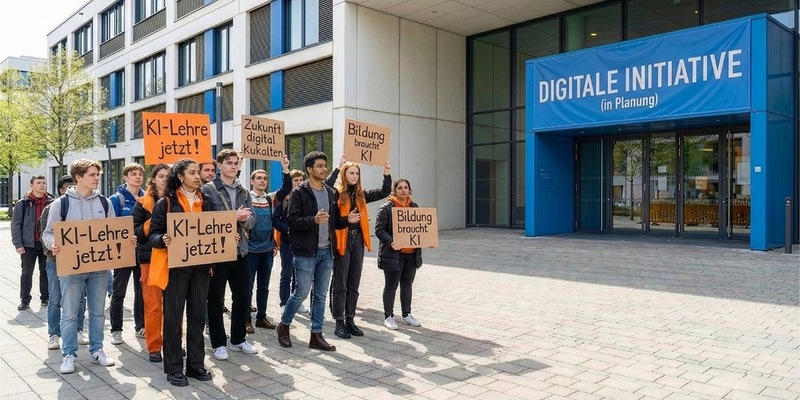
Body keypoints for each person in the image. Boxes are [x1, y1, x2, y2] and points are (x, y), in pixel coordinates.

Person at [42, 159, 121, 374]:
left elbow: (113, 231)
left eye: (98, 174)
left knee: (97, 312)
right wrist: (52, 244)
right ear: (79, 177)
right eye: (93, 174)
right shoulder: (61, 204)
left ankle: (97, 350)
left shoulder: (105, 203)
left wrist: (125, 241)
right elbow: (47, 232)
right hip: (71, 267)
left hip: (99, 268)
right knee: (69, 313)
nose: (97, 178)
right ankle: (69, 354)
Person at [276, 151, 357, 351]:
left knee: (320, 295)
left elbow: (334, 221)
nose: (324, 169)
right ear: (309, 169)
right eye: (319, 166)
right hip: (305, 252)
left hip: (325, 251)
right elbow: (292, 222)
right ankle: (284, 325)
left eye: (325, 165)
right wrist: (312, 219)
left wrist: (348, 220)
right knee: (301, 292)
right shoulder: (299, 193)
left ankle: (316, 335)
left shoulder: (330, 192)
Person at [149, 159, 216, 386]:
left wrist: (226, 239)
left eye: (198, 173)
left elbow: (215, 229)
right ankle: (174, 368)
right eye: (192, 172)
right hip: (175, 268)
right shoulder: (165, 203)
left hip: (200, 268)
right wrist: (162, 240)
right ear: (180, 177)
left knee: (197, 316)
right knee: (174, 318)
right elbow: (153, 235)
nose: (197, 176)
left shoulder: (207, 201)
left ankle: (196, 364)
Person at [325, 155, 391, 339]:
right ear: (344, 175)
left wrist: (386, 173)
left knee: (354, 282)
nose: (354, 176)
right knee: (341, 282)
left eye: (357, 173)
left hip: (358, 241)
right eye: (351, 173)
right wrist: (337, 167)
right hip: (343, 241)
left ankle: (350, 319)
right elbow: (327, 187)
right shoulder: (336, 193)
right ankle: (338, 321)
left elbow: (384, 191)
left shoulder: (362, 194)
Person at [201, 149, 258, 360]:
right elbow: (204, 221)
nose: (233, 166)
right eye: (229, 163)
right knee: (215, 300)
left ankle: (238, 339)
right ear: (219, 165)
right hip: (217, 253)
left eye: (236, 163)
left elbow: (252, 220)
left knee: (242, 298)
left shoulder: (243, 191)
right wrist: (231, 217)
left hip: (241, 251)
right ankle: (218, 343)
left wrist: (243, 220)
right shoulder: (208, 190)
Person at [40, 175, 89, 351]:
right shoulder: (51, 208)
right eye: (69, 187)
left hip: (80, 261)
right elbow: (45, 235)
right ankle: (54, 334)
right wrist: (53, 248)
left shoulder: (86, 207)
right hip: (56, 261)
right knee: (55, 298)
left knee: (80, 299)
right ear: (61, 190)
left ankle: (77, 330)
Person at [245, 156, 292, 333]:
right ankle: (246, 320)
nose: (262, 181)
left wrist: (285, 169)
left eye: (265, 178)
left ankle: (261, 317)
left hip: (267, 250)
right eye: (258, 178)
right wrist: (240, 164)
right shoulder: (245, 198)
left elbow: (286, 188)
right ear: (251, 181)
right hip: (249, 251)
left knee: (263, 287)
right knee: (247, 288)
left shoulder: (270, 199)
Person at [132, 164, 170, 362]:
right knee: (153, 305)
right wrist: (153, 219)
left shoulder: (179, 200)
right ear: (153, 179)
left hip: (174, 259)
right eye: (161, 175)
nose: (164, 179)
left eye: (168, 175)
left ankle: (174, 342)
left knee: (174, 306)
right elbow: (134, 232)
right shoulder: (141, 203)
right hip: (150, 260)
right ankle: (154, 346)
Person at [375, 178, 424, 330]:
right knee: (391, 286)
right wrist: (391, 241)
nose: (403, 190)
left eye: (406, 187)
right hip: (393, 254)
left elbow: (420, 228)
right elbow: (379, 230)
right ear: (394, 190)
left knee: (407, 285)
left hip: (411, 255)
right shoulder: (386, 208)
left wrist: (427, 239)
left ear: (409, 190)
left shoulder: (414, 206)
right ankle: (388, 316)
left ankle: (406, 314)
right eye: (400, 188)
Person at [109, 163, 146, 345]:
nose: (137, 177)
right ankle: (116, 329)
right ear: (125, 177)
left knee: (141, 291)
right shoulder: (116, 199)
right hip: (122, 252)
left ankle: (141, 326)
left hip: (142, 251)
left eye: (140, 174)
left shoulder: (146, 197)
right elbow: (110, 228)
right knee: (119, 291)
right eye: (133, 174)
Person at [12, 174, 54, 310]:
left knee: (46, 272)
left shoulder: (52, 202)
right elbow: (16, 225)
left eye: (44, 183)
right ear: (32, 185)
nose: (42, 185)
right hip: (28, 244)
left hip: (46, 244)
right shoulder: (23, 203)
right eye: (39, 183)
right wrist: (18, 244)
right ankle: (25, 300)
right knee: (26, 273)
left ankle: (45, 298)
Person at [273, 169, 309, 314]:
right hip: (287, 243)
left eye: (301, 180)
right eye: (296, 180)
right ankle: (284, 302)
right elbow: (275, 220)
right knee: (286, 274)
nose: (299, 183)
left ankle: (297, 302)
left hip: (302, 243)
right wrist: (287, 229)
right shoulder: (282, 200)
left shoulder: (305, 197)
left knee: (299, 275)